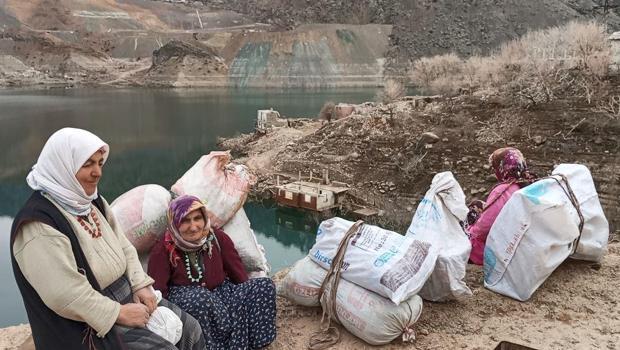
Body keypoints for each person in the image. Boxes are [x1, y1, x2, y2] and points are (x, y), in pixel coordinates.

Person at [10, 128, 205, 350]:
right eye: (87, 164)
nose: (97, 172)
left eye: (100, 163)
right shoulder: (39, 224)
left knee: (191, 330)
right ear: (63, 167)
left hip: (124, 294)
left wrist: (140, 285)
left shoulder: (91, 202)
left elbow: (124, 246)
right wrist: (117, 313)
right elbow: (64, 294)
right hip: (84, 321)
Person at [148, 195, 276, 350]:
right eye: (185, 220)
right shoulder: (163, 249)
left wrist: (247, 297)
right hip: (188, 302)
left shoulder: (217, 238)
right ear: (174, 223)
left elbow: (237, 271)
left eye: (197, 218)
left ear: (204, 218)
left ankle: (257, 344)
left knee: (263, 286)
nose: (194, 226)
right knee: (201, 299)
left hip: (222, 294)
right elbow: (158, 292)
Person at [467, 147, 536, 265]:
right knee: (477, 205)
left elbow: (484, 227)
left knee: (465, 233)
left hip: (507, 245)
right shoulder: (531, 182)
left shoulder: (504, 190)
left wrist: (469, 232)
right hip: (525, 236)